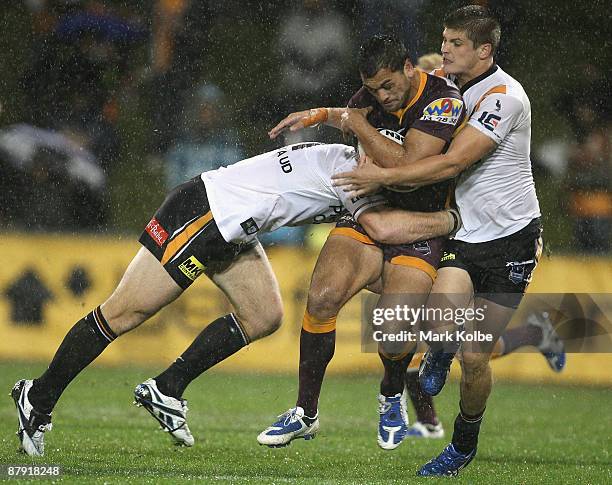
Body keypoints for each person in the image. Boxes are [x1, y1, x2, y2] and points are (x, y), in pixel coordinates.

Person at [10, 141, 459, 457]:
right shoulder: (356, 174)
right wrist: (450, 222)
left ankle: (167, 387)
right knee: (124, 312)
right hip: (204, 213)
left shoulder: (355, 160)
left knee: (264, 314)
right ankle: (39, 397)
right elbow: (382, 235)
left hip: (230, 226)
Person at [332, 5, 544, 476]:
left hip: (510, 238)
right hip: (464, 231)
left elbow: (449, 165)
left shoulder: (504, 97)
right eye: (443, 41)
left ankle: (464, 442)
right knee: (434, 318)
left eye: (455, 44)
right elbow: (417, 90)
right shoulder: (449, 82)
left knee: (477, 358)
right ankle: (441, 348)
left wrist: (388, 176)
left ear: (484, 50)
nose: (444, 49)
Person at [258, 35, 466, 450]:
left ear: (409, 68)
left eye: (388, 86)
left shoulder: (443, 101)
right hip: (373, 214)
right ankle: (305, 412)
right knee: (322, 297)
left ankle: (391, 394)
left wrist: (357, 124)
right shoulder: (367, 100)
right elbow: (363, 148)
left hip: (421, 225)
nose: (381, 96)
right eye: (372, 90)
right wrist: (326, 114)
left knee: (391, 332)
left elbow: (408, 166)